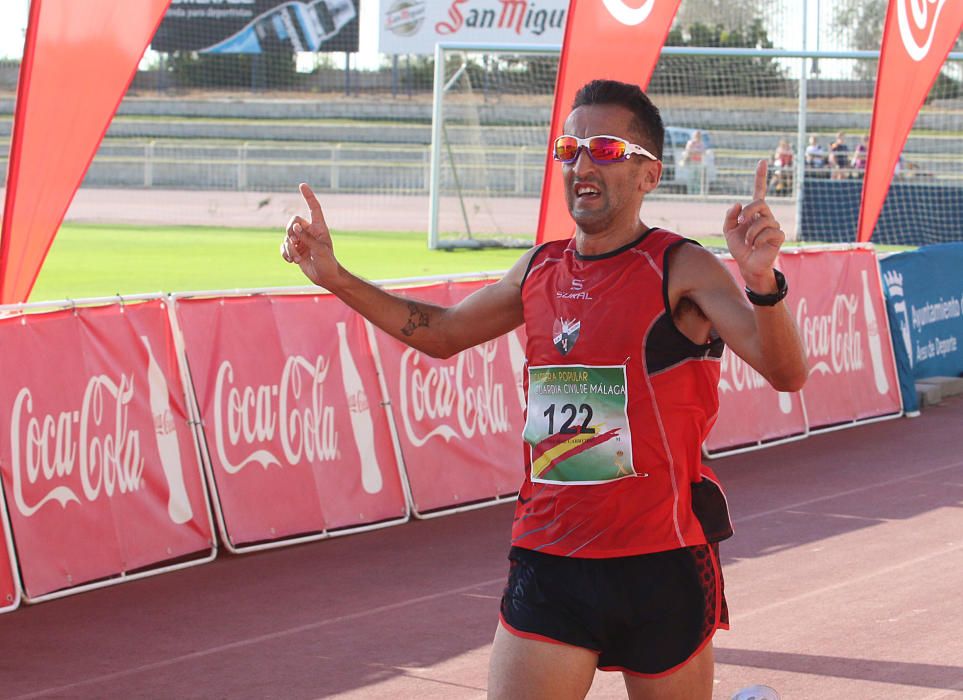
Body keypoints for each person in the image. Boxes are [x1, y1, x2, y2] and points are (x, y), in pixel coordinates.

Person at [281, 79, 809, 700]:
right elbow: (445, 333)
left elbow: (786, 373)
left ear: (649, 175)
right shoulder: (540, 268)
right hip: (550, 556)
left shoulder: (680, 267)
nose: (582, 164)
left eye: (606, 149)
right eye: (569, 147)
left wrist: (762, 282)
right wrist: (335, 277)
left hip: (660, 560)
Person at [681, 129, 707, 194]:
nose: (698, 136)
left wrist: (695, 152)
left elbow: (703, 152)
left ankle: (697, 193)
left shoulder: (701, 144)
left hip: (699, 162)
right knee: (691, 178)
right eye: (696, 135)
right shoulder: (690, 143)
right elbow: (688, 151)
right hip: (691, 162)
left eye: (699, 135)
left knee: (698, 179)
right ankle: (690, 192)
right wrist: (696, 152)